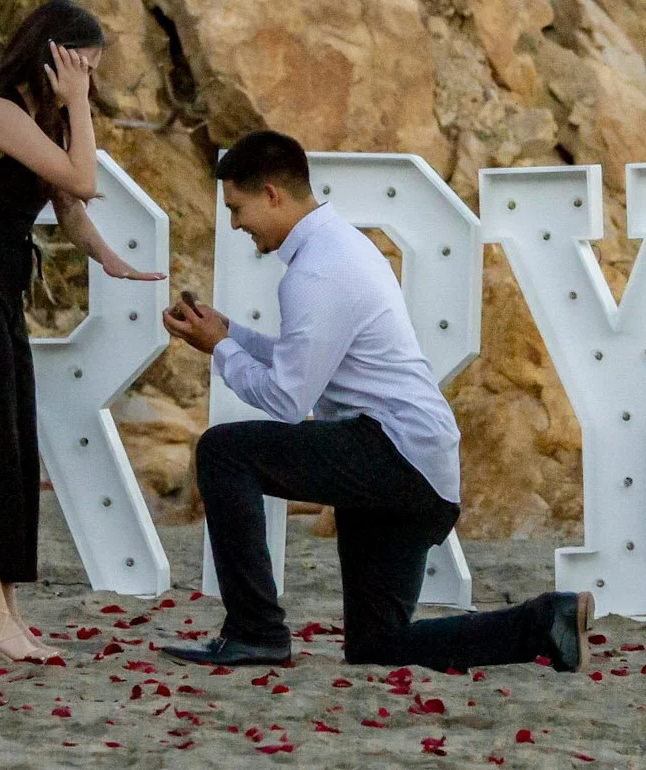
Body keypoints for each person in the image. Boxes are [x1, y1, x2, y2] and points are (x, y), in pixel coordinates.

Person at [160, 130, 591, 670]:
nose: (235, 224)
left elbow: (288, 400)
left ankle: (256, 631)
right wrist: (230, 334)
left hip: (393, 454)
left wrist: (219, 348)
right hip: (417, 465)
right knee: (377, 647)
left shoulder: (316, 271)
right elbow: (307, 360)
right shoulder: (338, 246)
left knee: (224, 451)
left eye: (237, 208)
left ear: (272, 194)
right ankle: (544, 619)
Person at [0, 0, 164, 664]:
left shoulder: (38, 121)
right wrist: (79, 104)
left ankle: (3, 615)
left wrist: (108, 257)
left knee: (12, 449)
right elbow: (82, 174)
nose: (87, 77)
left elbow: (71, 205)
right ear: (53, 54)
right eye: (81, 63)